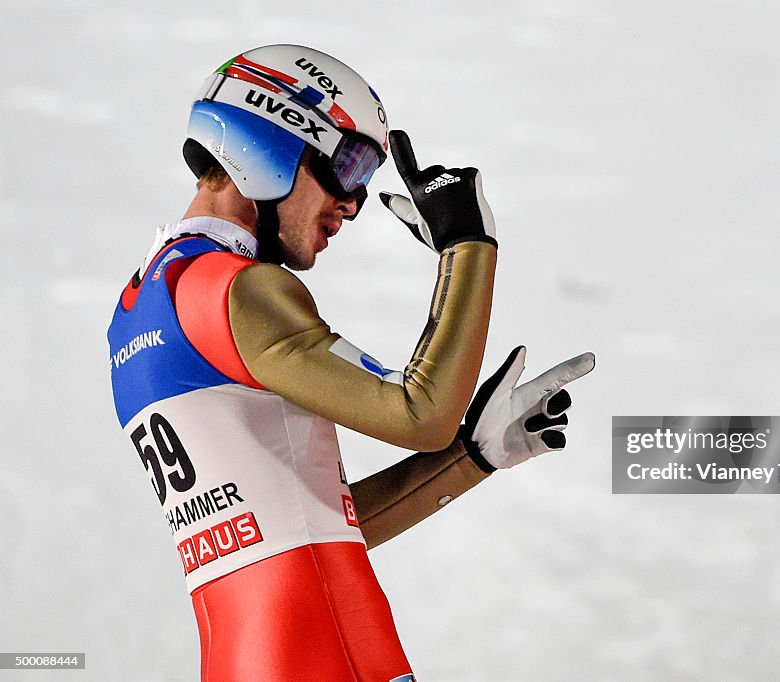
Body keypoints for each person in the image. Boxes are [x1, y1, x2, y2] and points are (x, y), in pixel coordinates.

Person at [106, 43, 595, 682]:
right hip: (337, 658)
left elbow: (311, 530)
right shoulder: (240, 290)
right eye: (348, 165)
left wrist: (470, 459)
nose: (353, 203)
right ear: (271, 140)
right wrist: (468, 243)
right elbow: (422, 413)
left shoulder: (136, 312)